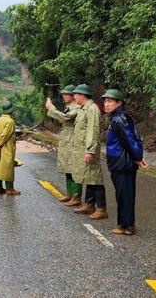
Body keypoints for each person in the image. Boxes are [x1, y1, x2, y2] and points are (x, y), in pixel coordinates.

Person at [101, 89, 148, 235]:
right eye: (105, 101)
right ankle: (126, 224)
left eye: (110, 101)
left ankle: (126, 226)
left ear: (119, 102)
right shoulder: (120, 117)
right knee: (123, 194)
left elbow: (129, 140)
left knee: (124, 195)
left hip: (122, 163)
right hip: (121, 162)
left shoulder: (119, 119)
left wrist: (138, 158)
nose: (106, 104)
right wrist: (138, 156)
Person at [66, 84, 108, 218]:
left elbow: (93, 130)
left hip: (89, 149)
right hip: (82, 149)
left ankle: (102, 208)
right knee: (88, 176)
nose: (74, 97)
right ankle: (90, 204)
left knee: (95, 177)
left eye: (76, 95)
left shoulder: (92, 109)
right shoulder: (84, 108)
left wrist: (89, 150)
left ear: (82, 96)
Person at [45, 85, 81, 204]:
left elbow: (66, 118)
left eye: (67, 94)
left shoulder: (77, 107)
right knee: (67, 167)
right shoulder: (68, 106)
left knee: (73, 168)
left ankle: (76, 197)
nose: (64, 96)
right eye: (64, 94)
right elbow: (62, 121)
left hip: (72, 141)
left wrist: (52, 109)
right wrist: (52, 112)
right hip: (66, 140)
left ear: (73, 96)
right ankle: (69, 194)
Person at [0, 101, 20, 195]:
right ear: (11, 111)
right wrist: (0, 143)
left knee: (0, 166)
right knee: (8, 167)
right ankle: (9, 188)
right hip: (7, 147)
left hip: (0, 148)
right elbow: (6, 134)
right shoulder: (10, 121)